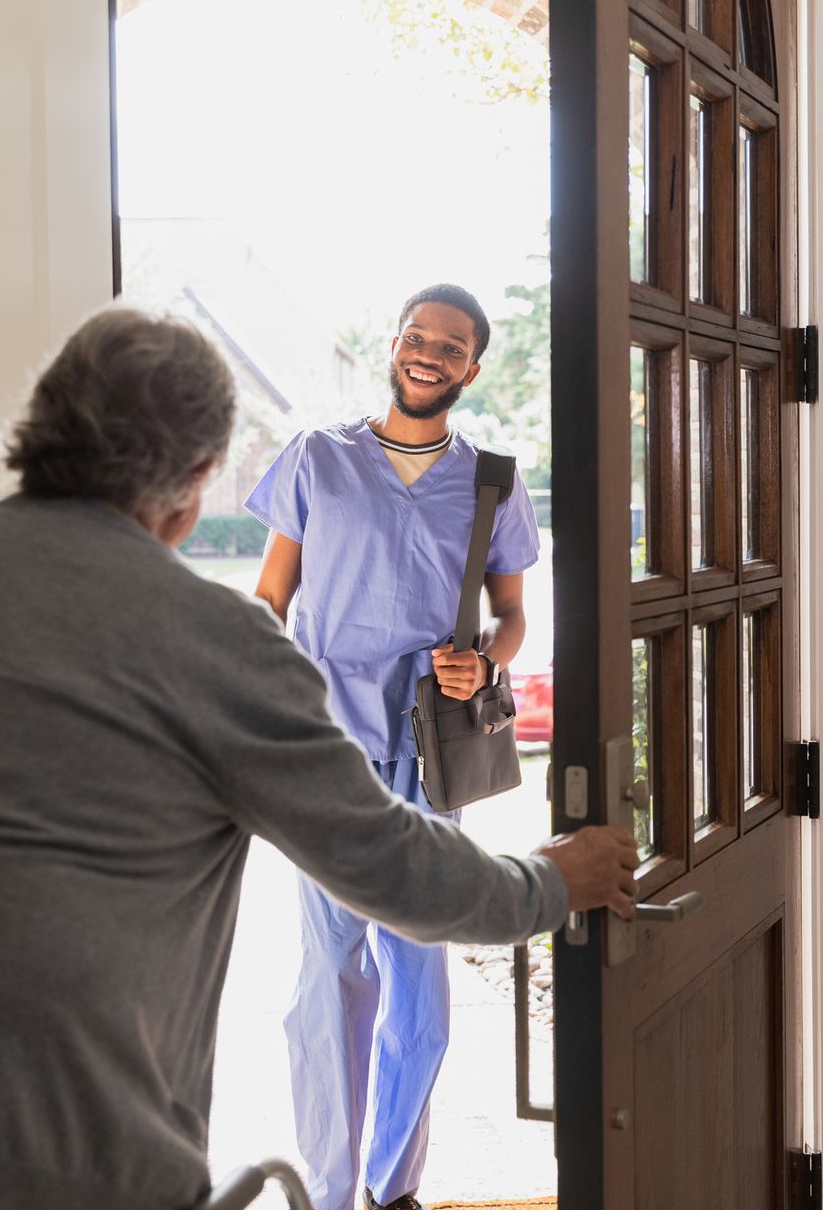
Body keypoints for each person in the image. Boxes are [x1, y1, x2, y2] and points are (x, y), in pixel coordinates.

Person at [0, 306, 639, 1210]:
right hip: (70, 1153)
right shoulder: (216, 645)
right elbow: (395, 870)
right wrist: (554, 881)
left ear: (34, 434)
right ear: (196, 491)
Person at [248, 283, 543, 1210]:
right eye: (417, 337)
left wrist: (483, 670)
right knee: (330, 977)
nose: (429, 354)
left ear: (472, 367)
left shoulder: (492, 479)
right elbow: (270, 602)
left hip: (430, 754)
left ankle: (393, 1184)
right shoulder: (317, 459)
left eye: (450, 346)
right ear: (394, 345)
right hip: (327, 753)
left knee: (420, 980)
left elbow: (512, 618)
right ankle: (332, 1193)